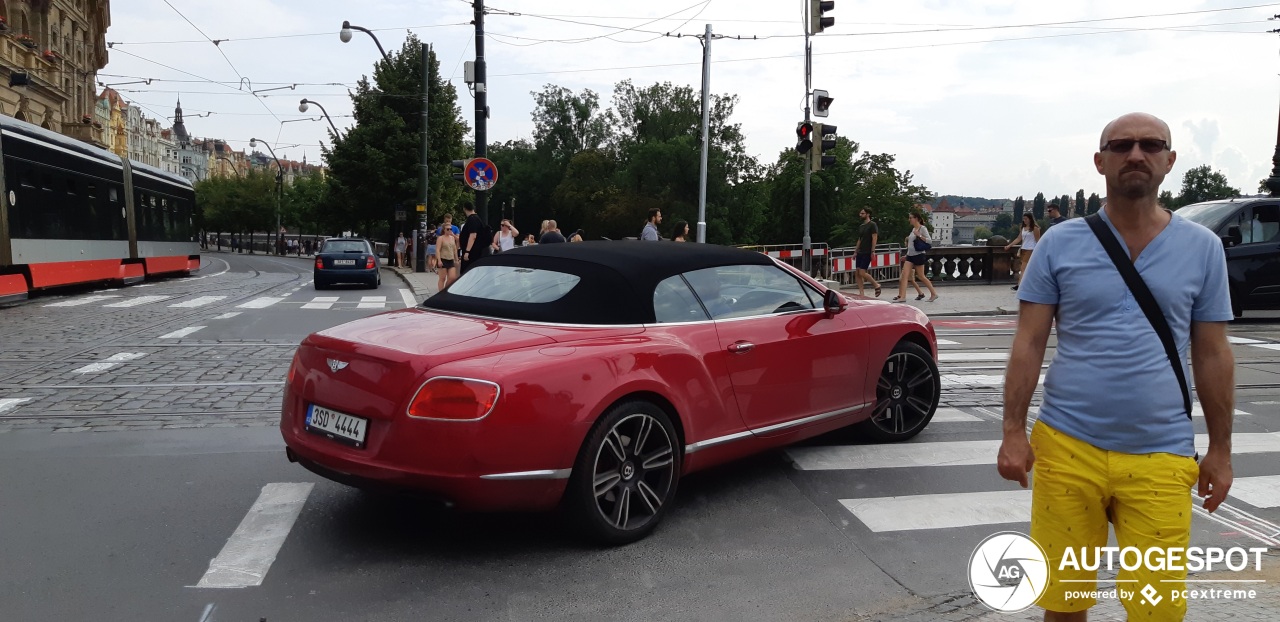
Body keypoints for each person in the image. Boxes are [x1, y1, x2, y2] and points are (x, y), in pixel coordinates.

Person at [996, 113, 1235, 622]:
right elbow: (1029, 342)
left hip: (1162, 455)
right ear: (1100, 161)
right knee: (1064, 605)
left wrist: (1220, 449)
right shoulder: (1059, 244)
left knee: (1159, 611)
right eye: (1121, 145)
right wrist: (1013, 431)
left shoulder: (1203, 249)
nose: (1135, 154)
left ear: (1169, 161)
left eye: (1151, 145)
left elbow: (1213, 354)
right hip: (1066, 448)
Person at [893, 212, 938, 302]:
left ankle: (934, 293)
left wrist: (919, 235)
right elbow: (910, 244)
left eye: (911, 218)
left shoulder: (922, 228)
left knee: (921, 276)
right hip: (910, 256)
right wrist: (906, 255)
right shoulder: (913, 229)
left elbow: (929, 241)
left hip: (919, 255)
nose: (909, 220)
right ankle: (903, 297)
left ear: (916, 218)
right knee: (905, 275)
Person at [1004, 213, 1041, 291]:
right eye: (1024, 219)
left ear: (1030, 219)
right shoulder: (1023, 228)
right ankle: (1030, 284)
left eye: (1026, 219)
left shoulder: (1035, 228)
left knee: (1022, 268)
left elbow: (1038, 241)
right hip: (1023, 249)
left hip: (1031, 249)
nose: (1024, 220)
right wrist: (1009, 245)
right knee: (1027, 268)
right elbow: (1018, 238)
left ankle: (1019, 285)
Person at [854, 208, 882, 297]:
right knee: (857, 272)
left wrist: (873, 251)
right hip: (860, 251)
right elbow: (859, 239)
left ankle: (876, 284)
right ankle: (861, 292)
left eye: (862, 213)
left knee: (862, 272)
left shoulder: (872, 225)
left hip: (867, 251)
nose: (860, 215)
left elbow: (874, 238)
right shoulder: (861, 226)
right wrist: (855, 251)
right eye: (860, 213)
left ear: (868, 214)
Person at [458, 203, 491, 274]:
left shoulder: (472, 219)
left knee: (467, 272)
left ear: (464, 209)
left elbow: (473, 236)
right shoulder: (477, 219)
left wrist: (467, 251)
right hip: (475, 251)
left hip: (472, 253)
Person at [435, 223, 459, 292]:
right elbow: (437, 250)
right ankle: (441, 292)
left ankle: (445, 290)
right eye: (447, 229)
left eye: (450, 229)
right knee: (442, 278)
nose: (449, 230)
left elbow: (454, 249)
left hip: (450, 259)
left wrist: (456, 259)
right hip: (443, 259)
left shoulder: (452, 238)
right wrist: (439, 260)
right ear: (444, 230)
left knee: (452, 277)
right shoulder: (441, 238)